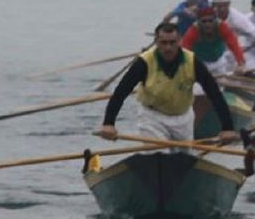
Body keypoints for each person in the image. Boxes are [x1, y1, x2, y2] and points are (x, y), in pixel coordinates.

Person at [97, 22, 237, 146]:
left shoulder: (192, 61)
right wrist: (109, 124)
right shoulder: (144, 62)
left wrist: (227, 128)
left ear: (179, 41)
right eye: (164, 43)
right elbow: (120, 93)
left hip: (183, 117)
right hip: (152, 117)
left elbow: (214, 94)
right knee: (157, 153)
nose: (168, 48)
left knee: (183, 159)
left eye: (172, 42)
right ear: (156, 42)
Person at [181, 7, 247, 76]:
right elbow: (184, 50)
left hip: (219, 62)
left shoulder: (223, 27)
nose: (207, 24)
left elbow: (234, 45)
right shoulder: (193, 31)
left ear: (215, 20)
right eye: (204, 21)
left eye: (210, 21)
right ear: (198, 22)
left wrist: (241, 63)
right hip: (201, 63)